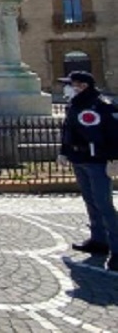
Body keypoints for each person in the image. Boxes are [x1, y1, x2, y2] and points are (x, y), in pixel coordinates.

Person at [57, 70, 118, 272]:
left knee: (104, 204)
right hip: (79, 158)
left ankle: (117, 250)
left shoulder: (103, 106)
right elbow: (69, 130)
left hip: (98, 161)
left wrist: (114, 158)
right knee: (90, 201)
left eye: (71, 84)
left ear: (82, 86)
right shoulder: (74, 105)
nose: (67, 87)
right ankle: (98, 240)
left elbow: (114, 133)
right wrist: (64, 152)